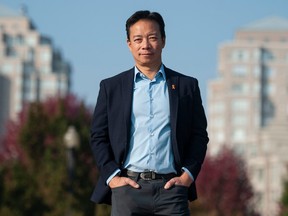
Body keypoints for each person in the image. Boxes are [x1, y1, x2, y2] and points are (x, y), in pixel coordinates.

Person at [90, 10, 209, 216]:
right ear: (129, 44)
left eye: (152, 37)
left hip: (172, 191)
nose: (145, 45)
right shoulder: (111, 87)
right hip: (127, 190)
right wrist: (113, 178)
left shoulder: (186, 86)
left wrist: (187, 177)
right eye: (138, 39)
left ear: (163, 40)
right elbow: (98, 137)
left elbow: (199, 135)